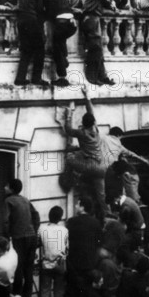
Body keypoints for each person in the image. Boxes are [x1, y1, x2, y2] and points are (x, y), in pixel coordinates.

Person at [59, 86, 108, 218]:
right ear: (93, 122)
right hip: (102, 167)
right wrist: (87, 96)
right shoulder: (95, 129)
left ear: (82, 123)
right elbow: (90, 110)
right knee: (101, 195)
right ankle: (108, 215)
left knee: (69, 157)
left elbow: (68, 130)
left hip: (90, 166)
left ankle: (71, 177)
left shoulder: (82, 133)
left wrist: (68, 115)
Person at [81, 0, 130, 85]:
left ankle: (102, 77)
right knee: (95, 48)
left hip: (93, 19)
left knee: (98, 49)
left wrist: (112, 6)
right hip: (91, 19)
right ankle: (92, 77)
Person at [4, 178, 40, 297]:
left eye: (7, 186)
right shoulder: (25, 200)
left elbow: (6, 221)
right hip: (32, 237)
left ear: (12, 189)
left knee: (18, 267)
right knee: (28, 268)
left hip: (18, 238)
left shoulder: (8, 201)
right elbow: (36, 215)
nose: (4, 187)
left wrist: (7, 237)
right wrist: (34, 230)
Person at [15, 0, 48, 87]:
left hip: (21, 21)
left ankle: (20, 78)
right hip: (31, 20)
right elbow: (39, 9)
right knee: (40, 49)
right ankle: (36, 78)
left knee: (26, 50)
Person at [44, 0, 77, 87]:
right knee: (61, 42)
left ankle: (62, 77)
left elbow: (49, 11)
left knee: (57, 48)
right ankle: (65, 59)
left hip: (61, 23)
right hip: (72, 24)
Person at [38, 206, 68, 297]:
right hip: (60, 264)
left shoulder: (42, 228)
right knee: (58, 292)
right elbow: (67, 247)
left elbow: (38, 242)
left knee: (44, 293)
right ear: (60, 218)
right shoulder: (64, 230)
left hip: (46, 264)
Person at [66, 197, 102, 286]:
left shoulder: (71, 222)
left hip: (74, 264)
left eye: (77, 204)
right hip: (90, 263)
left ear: (82, 207)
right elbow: (99, 242)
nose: (75, 206)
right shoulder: (96, 223)